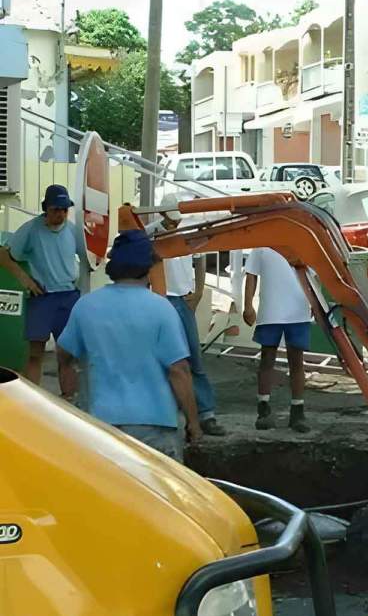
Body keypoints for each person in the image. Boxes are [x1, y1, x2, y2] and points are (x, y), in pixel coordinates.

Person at [56, 229, 202, 461]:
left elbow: (64, 354)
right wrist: (194, 422)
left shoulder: (86, 306)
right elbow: (179, 370)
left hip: (100, 425)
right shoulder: (162, 309)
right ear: (148, 266)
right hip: (155, 426)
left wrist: (69, 396)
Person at [145, 193, 225, 436]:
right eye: (171, 221)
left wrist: (199, 290)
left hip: (183, 298)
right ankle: (170, 411)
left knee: (193, 357)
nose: (175, 225)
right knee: (167, 361)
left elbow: (199, 260)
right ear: (162, 215)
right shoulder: (151, 233)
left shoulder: (188, 230)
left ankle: (205, 413)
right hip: (162, 298)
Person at [0, 184, 79, 385]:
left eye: (64, 210)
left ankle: (68, 400)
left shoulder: (73, 230)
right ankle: (33, 403)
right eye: (55, 210)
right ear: (46, 209)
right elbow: (4, 255)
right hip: (42, 295)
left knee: (68, 354)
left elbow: (92, 256)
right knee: (36, 353)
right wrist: (24, 279)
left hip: (68, 295)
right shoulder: (31, 229)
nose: (60, 215)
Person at [241, 247, 312, 433]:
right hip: (270, 311)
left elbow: (314, 275)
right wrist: (248, 305)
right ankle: (263, 409)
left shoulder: (300, 240)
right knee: (267, 359)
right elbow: (251, 274)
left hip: (299, 309)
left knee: (296, 361)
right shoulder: (262, 244)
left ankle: (298, 411)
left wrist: (315, 302)